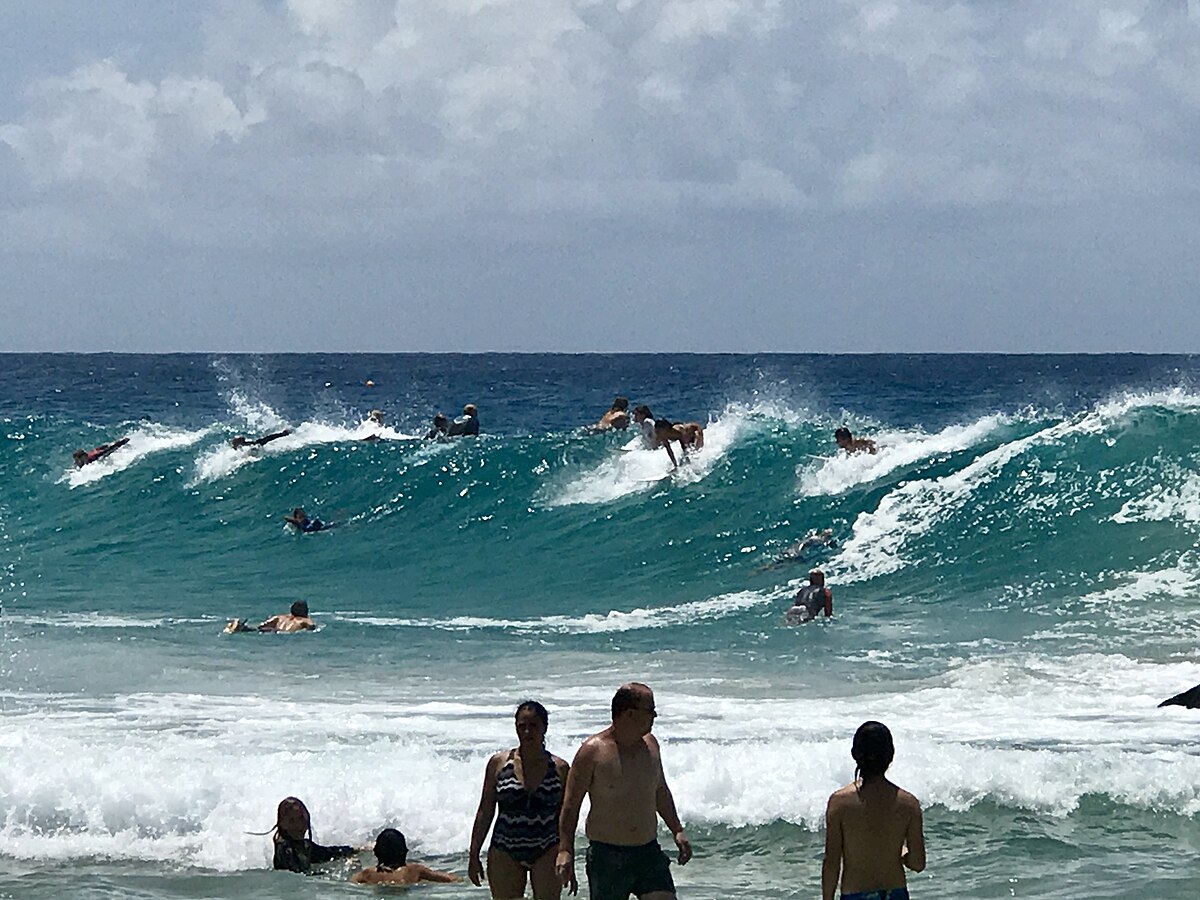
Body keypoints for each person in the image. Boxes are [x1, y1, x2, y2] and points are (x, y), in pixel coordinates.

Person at [556, 683, 691, 900]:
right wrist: (565, 851)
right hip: (607, 856)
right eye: (650, 711)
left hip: (648, 852)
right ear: (629, 713)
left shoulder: (651, 745)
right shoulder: (592, 752)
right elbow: (571, 805)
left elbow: (659, 790)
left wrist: (677, 829)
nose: (654, 716)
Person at [469, 701, 571, 900]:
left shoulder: (559, 768)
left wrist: (567, 854)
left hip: (546, 847)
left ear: (545, 728)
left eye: (533, 726)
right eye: (521, 726)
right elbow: (485, 811)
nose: (526, 732)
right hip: (505, 847)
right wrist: (474, 854)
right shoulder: (498, 764)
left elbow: (566, 817)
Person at [822, 722, 925, 900]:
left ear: (855, 754)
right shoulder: (908, 804)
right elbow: (918, 863)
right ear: (891, 756)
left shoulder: (839, 803)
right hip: (895, 894)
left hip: (855, 895)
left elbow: (832, 863)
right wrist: (900, 852)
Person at [265, 796, 357, 873]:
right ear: (282, 824)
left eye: (301, 818)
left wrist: (355, 850)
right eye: (292, 820)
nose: (299, 825)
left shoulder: (305, 846)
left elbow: (328, 853)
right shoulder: (284, 850)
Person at [351, 827, 462, 885]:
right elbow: (449, 879)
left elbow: (352, 883)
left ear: (376, 852)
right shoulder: (414, 871)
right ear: (405, 851)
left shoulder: (368, 874)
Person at [225, 600, 317, 634]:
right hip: (281, 633)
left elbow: (262, 625)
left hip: (272, 629)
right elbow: (312, 626)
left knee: (257, 629)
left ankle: (240, 626)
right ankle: (241, 628)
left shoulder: (280, 617)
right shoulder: (303, 620)